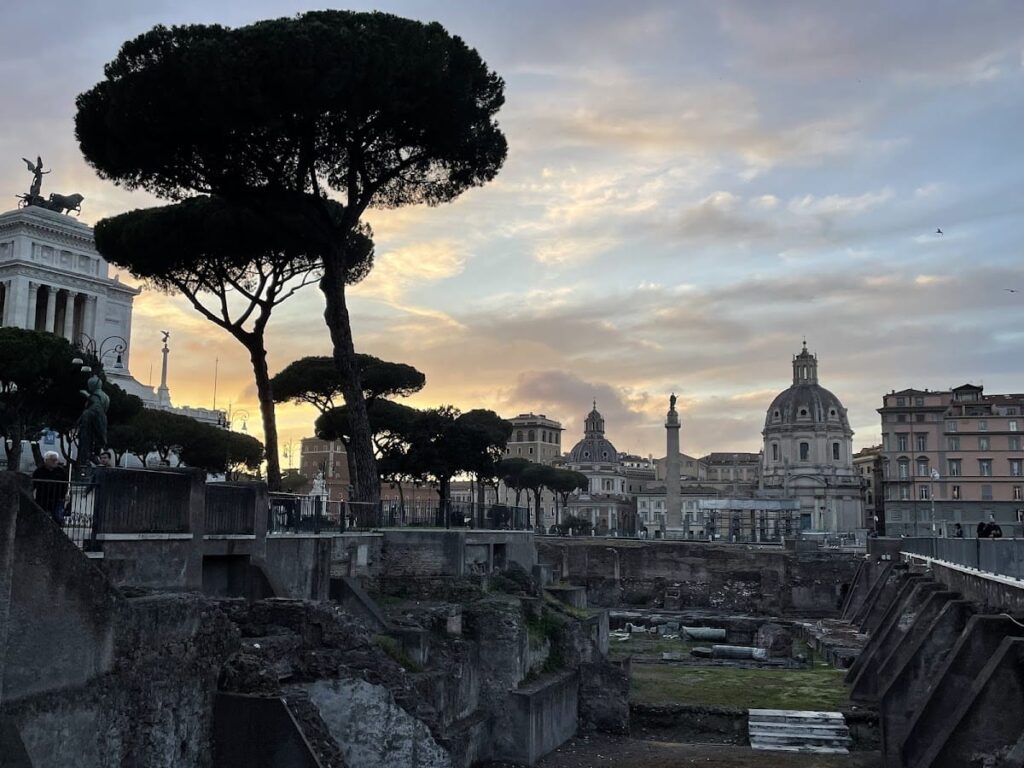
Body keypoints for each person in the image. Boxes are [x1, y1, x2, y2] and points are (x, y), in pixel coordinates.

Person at [32, 451, 67, 523]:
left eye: (56, 459)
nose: (55, 461)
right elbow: (33, 484)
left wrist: (64, 495)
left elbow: (65, 484)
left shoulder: (61, 471)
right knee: (41, 517)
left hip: (57, 497)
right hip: (42, 498)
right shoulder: (39, 471)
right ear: (46, 460)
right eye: (53, 460)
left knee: (58, 517)